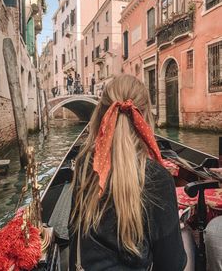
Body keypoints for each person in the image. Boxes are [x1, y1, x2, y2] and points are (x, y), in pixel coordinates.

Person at [69, 74, 187, 271]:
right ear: (146, 117)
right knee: (187, 241)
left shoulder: (83, 165)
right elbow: (171, 265)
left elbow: (74, 235)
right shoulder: (157, 178)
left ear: (100, 115)